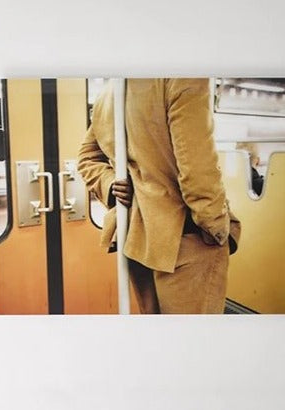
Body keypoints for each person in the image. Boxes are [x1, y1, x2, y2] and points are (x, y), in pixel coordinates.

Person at [78, 78, 240, 315]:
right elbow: (197, 169)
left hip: (137, 236)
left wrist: (112, 183)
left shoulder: (111, 91)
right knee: (192, 344)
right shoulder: (183, 78)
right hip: (188, 238)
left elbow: (87, 158)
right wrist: (217, 227)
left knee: (158, 339)